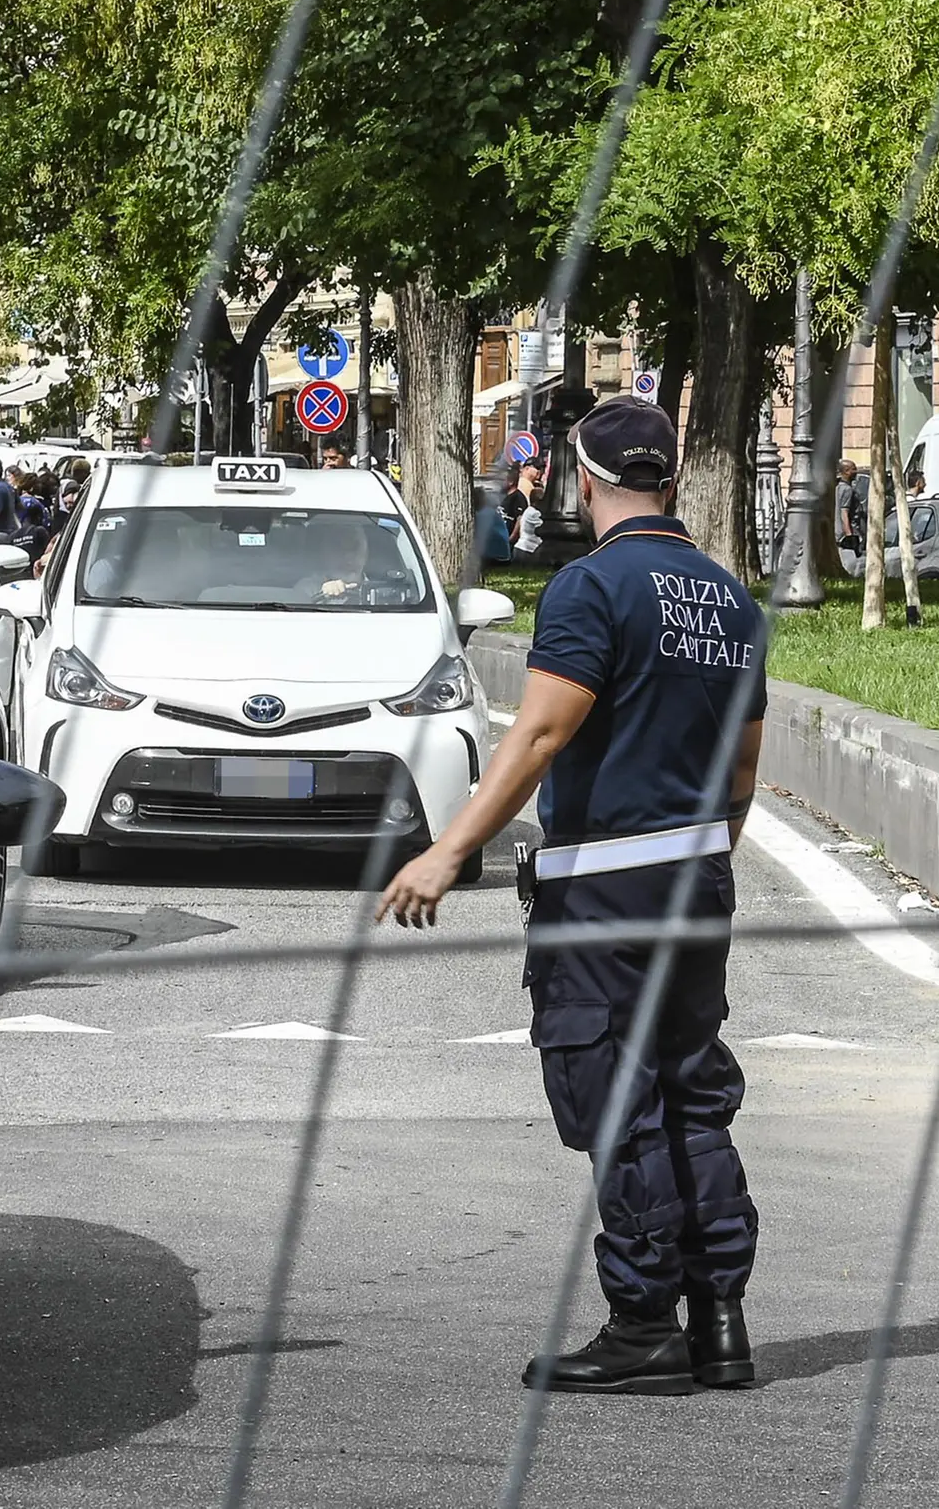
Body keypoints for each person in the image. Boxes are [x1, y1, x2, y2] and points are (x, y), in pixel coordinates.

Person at [380, 396, 764, 1397]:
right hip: (698, 881)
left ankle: (644, 1325)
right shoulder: (730, 601)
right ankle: (719, 1319)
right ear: (671, 479)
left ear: (582, 480)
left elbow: (542, 734)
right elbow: (740, 778)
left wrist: (447, 852)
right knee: (691, 1094)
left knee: (619, 1099)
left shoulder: (592, 589)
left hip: (605, 890)